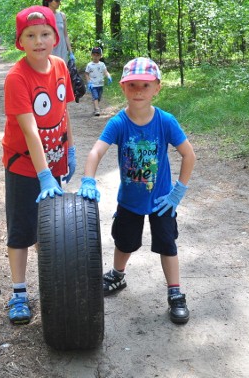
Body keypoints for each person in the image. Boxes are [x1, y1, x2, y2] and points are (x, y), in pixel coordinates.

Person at [77, 57, 196, 324]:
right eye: (132, 86)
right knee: (124, 242)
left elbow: (189, 155)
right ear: (122, 87)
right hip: (129, 201)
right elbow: (96, 151)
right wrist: (88, 179)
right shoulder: (119, 123)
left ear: (157, 88)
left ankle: (175, 293)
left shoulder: (165, 121)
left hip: (162, 201)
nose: (139, 91)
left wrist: (178, 191)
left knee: (168, 245)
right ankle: (118, 275)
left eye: (145, 85)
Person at [2, 6, 76, 325]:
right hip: (24, 167)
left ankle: (51, 284)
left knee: (50, 230)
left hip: (56, 163)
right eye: (30, 36)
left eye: (45, 34)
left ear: (54, 36)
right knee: (21, 230)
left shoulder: (59, 66)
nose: (39, 41)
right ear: (21, 41)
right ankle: (19, 294)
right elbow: (30, 129)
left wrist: (69, 149)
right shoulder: (17, 78)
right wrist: (43, 174)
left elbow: (63, 112)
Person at [42, 0, 73, 66]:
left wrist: (71, 52)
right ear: (49, 2)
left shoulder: (62, 16)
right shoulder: (43, 16)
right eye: (56, 1)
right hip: (49, 52)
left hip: (62, 51)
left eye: (59, 0)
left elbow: (65, 35)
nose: (59, 2)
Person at [84, 46, 112, 116]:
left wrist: (108, 76)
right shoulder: (89, 65)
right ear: (92, 55)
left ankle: (95, 107)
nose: (96, 57)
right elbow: (86, 74)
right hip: (93, 84)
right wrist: (89, 82)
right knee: (95, 97)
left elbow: (105, 72)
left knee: (98, 97)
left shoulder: (102, 64)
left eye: (98, 55)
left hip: (100, 84)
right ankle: (97, 109)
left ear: (100, 56)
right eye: (94, 55)